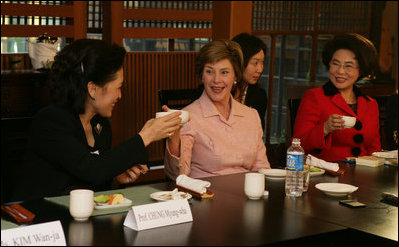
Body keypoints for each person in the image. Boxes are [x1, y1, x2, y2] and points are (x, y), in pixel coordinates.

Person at [11, 39, 182, 201]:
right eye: (118, 88)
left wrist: (116, 174)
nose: (120, 96)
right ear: (92, 89)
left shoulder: (98, 124)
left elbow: (97, 174)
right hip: (41, 221)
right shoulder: (51, 121)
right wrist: (147, 135)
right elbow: (90, 169)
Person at [164, 39, 271, 180]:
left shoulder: (251, 116)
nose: (216, 80)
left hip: (247, 197)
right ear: (202, 76)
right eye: (209, 72)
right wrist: (174, 138)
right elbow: (178, 176)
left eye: (224, 72)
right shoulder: (189, 117)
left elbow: (262, 169)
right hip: (206, 197)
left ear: (235, 76)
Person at [293, 33, 381, 162]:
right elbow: (298, 146)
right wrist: (325, 128)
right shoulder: (314, 97)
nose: (340, 71)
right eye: (335, 64)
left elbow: (375, 150)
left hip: (364, 175)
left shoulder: (371, 104)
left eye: (348, 66)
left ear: (360, 70)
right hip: (327, 175)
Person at [231, 33, 268, 131]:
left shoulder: (260, 95)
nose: (260, 69)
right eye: (255, 63)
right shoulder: (219, 91)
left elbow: (259, 133)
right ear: (239, 61)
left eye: (262, 63)